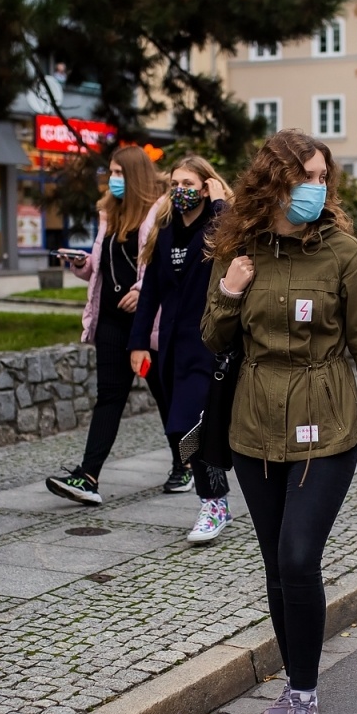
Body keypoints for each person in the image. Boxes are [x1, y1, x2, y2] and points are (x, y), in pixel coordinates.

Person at [202, 129, 357, 714]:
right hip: (253, 427)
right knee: (274, 568)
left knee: (298, 558)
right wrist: (232, 291)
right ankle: (294, 687)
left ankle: (306, 695)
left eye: (323, 177)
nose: (316, 189)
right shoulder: (238, 251)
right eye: (304, 178)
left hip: (328, 427)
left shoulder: (345, 253)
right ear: (274, 184)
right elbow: (213, 337)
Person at [47, 144, 180, 504]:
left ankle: (185, 464)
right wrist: (79, 263)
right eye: (111, 173)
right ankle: (88, 477)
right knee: (109, 395)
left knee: (166, 395)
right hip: (110, 319)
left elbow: (166, 265)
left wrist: (142, 289)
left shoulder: (159, 213)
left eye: (120, 173)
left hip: (145, 323)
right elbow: (98, 265)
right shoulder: (109, 213)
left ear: (135, 175)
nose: (112, 180)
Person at [129, 154, 234, 543]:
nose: (180, 191)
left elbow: (236, 243)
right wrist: (139, 342)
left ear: (206, 187)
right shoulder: (167, 231)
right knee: (181, 430)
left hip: (208, 344)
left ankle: (214, 502)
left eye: (189, 184)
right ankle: (216, 488)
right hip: (171, 348)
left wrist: (221, 204)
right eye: (175, 184)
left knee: (186, 425)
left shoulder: (218, 225)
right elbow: (152, 291)